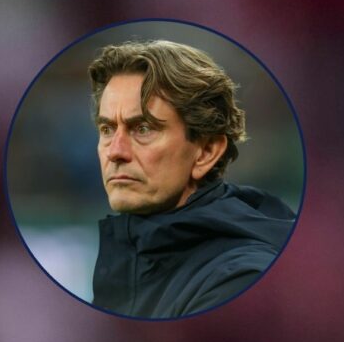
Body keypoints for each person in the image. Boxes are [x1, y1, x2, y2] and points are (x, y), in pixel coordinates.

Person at [88, 40, 296, 319]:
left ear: (206, 152)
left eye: (144, 128)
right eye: (107, 129)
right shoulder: (133, 259)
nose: (115, 152)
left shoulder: (239, 279)